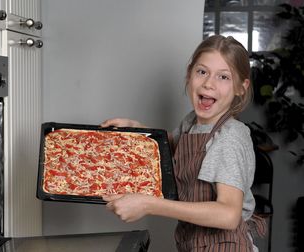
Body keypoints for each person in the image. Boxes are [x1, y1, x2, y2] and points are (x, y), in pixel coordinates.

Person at [101, 35, 265, 251]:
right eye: (202, 72)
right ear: (189, 73)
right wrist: (137, 130)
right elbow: (176, 143)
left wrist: (147, 203)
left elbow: (228, 215)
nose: (209, 83)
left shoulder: (229, 138)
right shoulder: (192, 122)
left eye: (223, 77)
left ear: (241, 87)